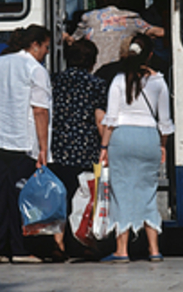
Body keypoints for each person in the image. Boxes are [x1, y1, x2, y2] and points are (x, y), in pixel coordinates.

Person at [0, 25, 52, 264]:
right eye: (46, 48)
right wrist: (43, 148)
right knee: (19, 194)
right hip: (21, 139)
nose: (46, 53)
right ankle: (18, 249)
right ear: (35, 44)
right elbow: (40, 111)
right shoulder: (34, 69)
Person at [98, 33, 174, 263]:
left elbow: (110, 119)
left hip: (122, 139)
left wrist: (104, 147)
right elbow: (165, 122)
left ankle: (122, 251)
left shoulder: (119, 80)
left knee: (120, 193)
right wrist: (162, 147)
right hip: (149, 138)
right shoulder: (159, 81)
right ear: (150, 55)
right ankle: (154, 250)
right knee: (147, 193)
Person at [49, 39, 107, 261]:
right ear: (92, 62)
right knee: (87, 197)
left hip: (59, 148)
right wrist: (105, 147)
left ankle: (58, 243)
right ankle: (87, 243)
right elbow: (99, 119)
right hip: (86, 150)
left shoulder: (55, 81)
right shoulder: (96, 84)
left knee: (60, 196)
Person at [64, 0, 165, 72]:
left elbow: (72, 41)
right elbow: (156, 32)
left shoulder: (89, 18)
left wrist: (63, 36)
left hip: (95, 70)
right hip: (120, 72)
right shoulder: (131, 18)